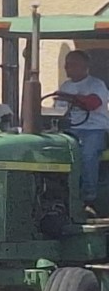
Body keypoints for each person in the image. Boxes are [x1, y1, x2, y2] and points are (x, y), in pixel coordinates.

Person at [55, 50, 109, 211]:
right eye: (66, 64)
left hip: (94, 130)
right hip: (70, 129)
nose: (67, 67)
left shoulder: (96, 85)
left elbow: (93, 103)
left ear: (85, 66)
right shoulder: (66, 86)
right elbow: (59, 110)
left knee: (87, 155)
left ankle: (88, 199)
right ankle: (60, 195)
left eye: (72, 64)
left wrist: (72, 98)